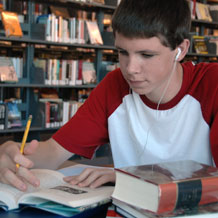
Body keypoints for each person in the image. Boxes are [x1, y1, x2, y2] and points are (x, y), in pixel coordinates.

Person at [1, 0, 218, 192]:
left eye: (146, 55)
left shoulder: (212, 85)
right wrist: (13, 157)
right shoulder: (115, 85)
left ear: (180, 50)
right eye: (122, 52)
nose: (130, 69)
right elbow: (55, 151)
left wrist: (132, 179)